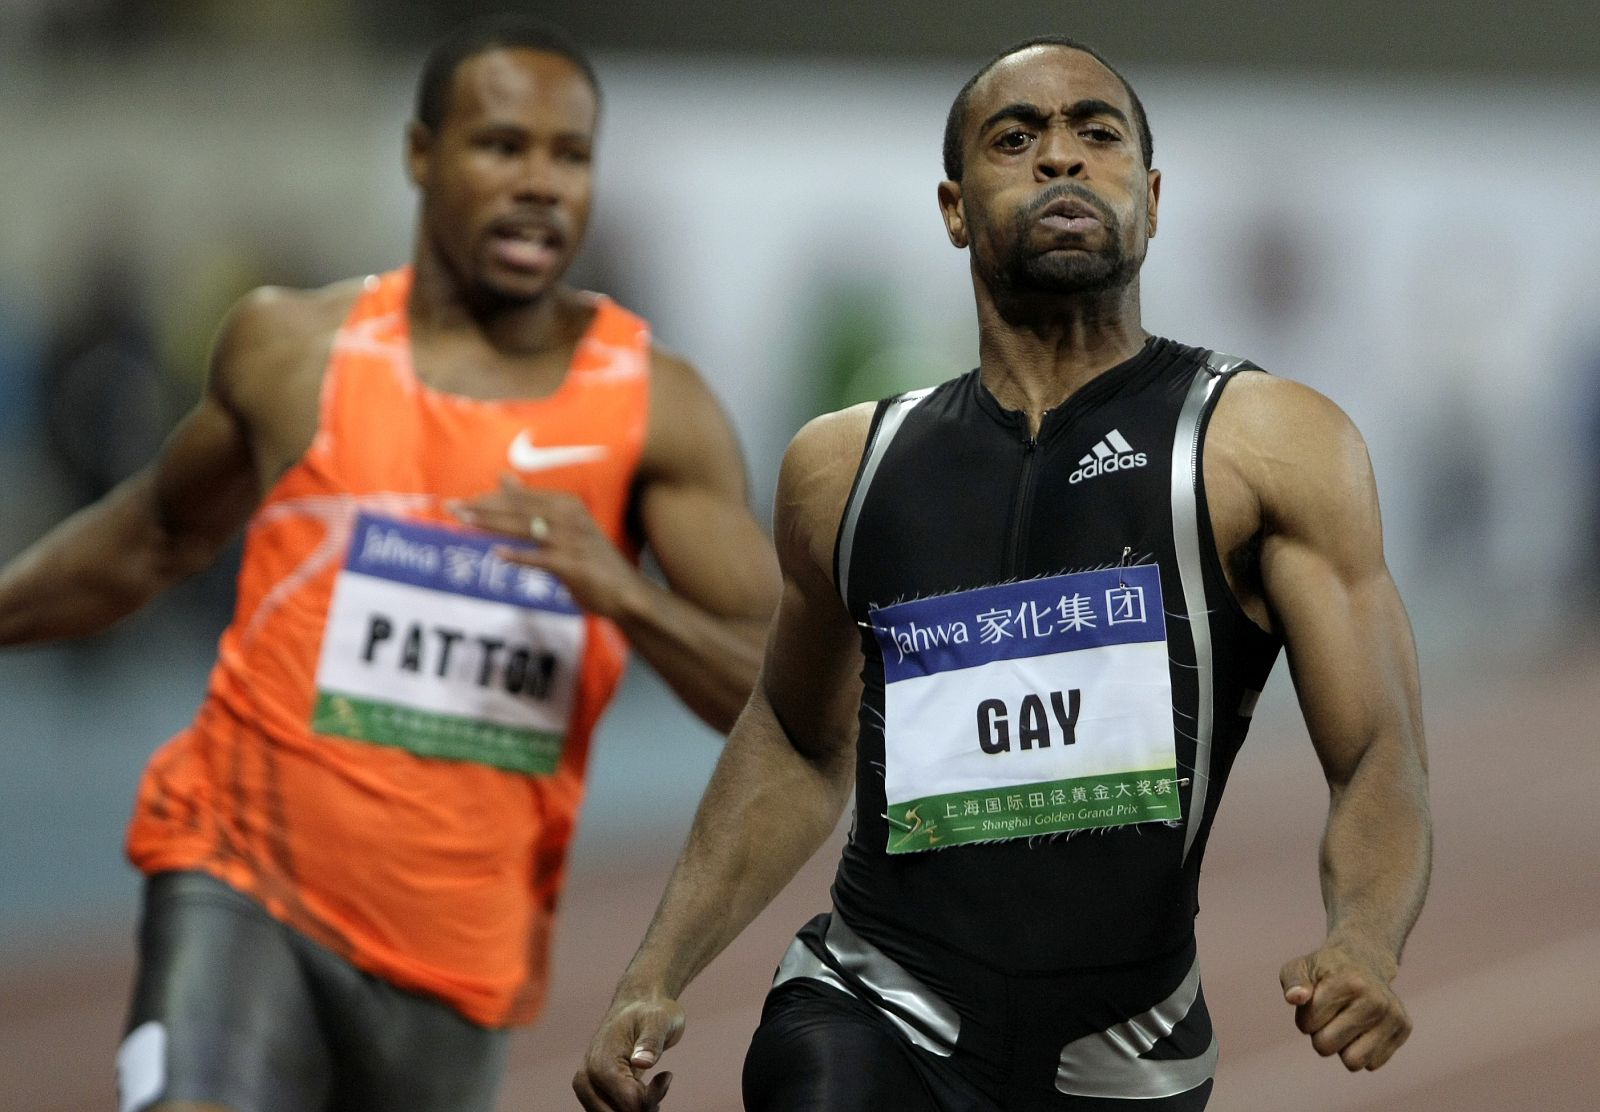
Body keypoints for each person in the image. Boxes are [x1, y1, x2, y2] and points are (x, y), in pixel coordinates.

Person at [575, 35, 1431, 1112]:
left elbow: (1377, 750)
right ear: (952, 207)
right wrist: (654, 970)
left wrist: (1363, 936)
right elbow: (798, 736)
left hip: (1124, 1046)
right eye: (1015, 137)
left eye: (1096, 133)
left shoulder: (1264, 447)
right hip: (876, 997)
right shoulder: (847, 468)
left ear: (1152, 197)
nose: (1060, 158)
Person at [0, 15, 780, 1112]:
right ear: (421, 155)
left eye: (569, 155)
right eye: (502, 146)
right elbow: (149, 537)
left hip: (458, 952)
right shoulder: (293, 351)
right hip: (239, 872)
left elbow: (778, 697)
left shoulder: (657, 410)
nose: (540, 183)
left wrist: (619, 590)